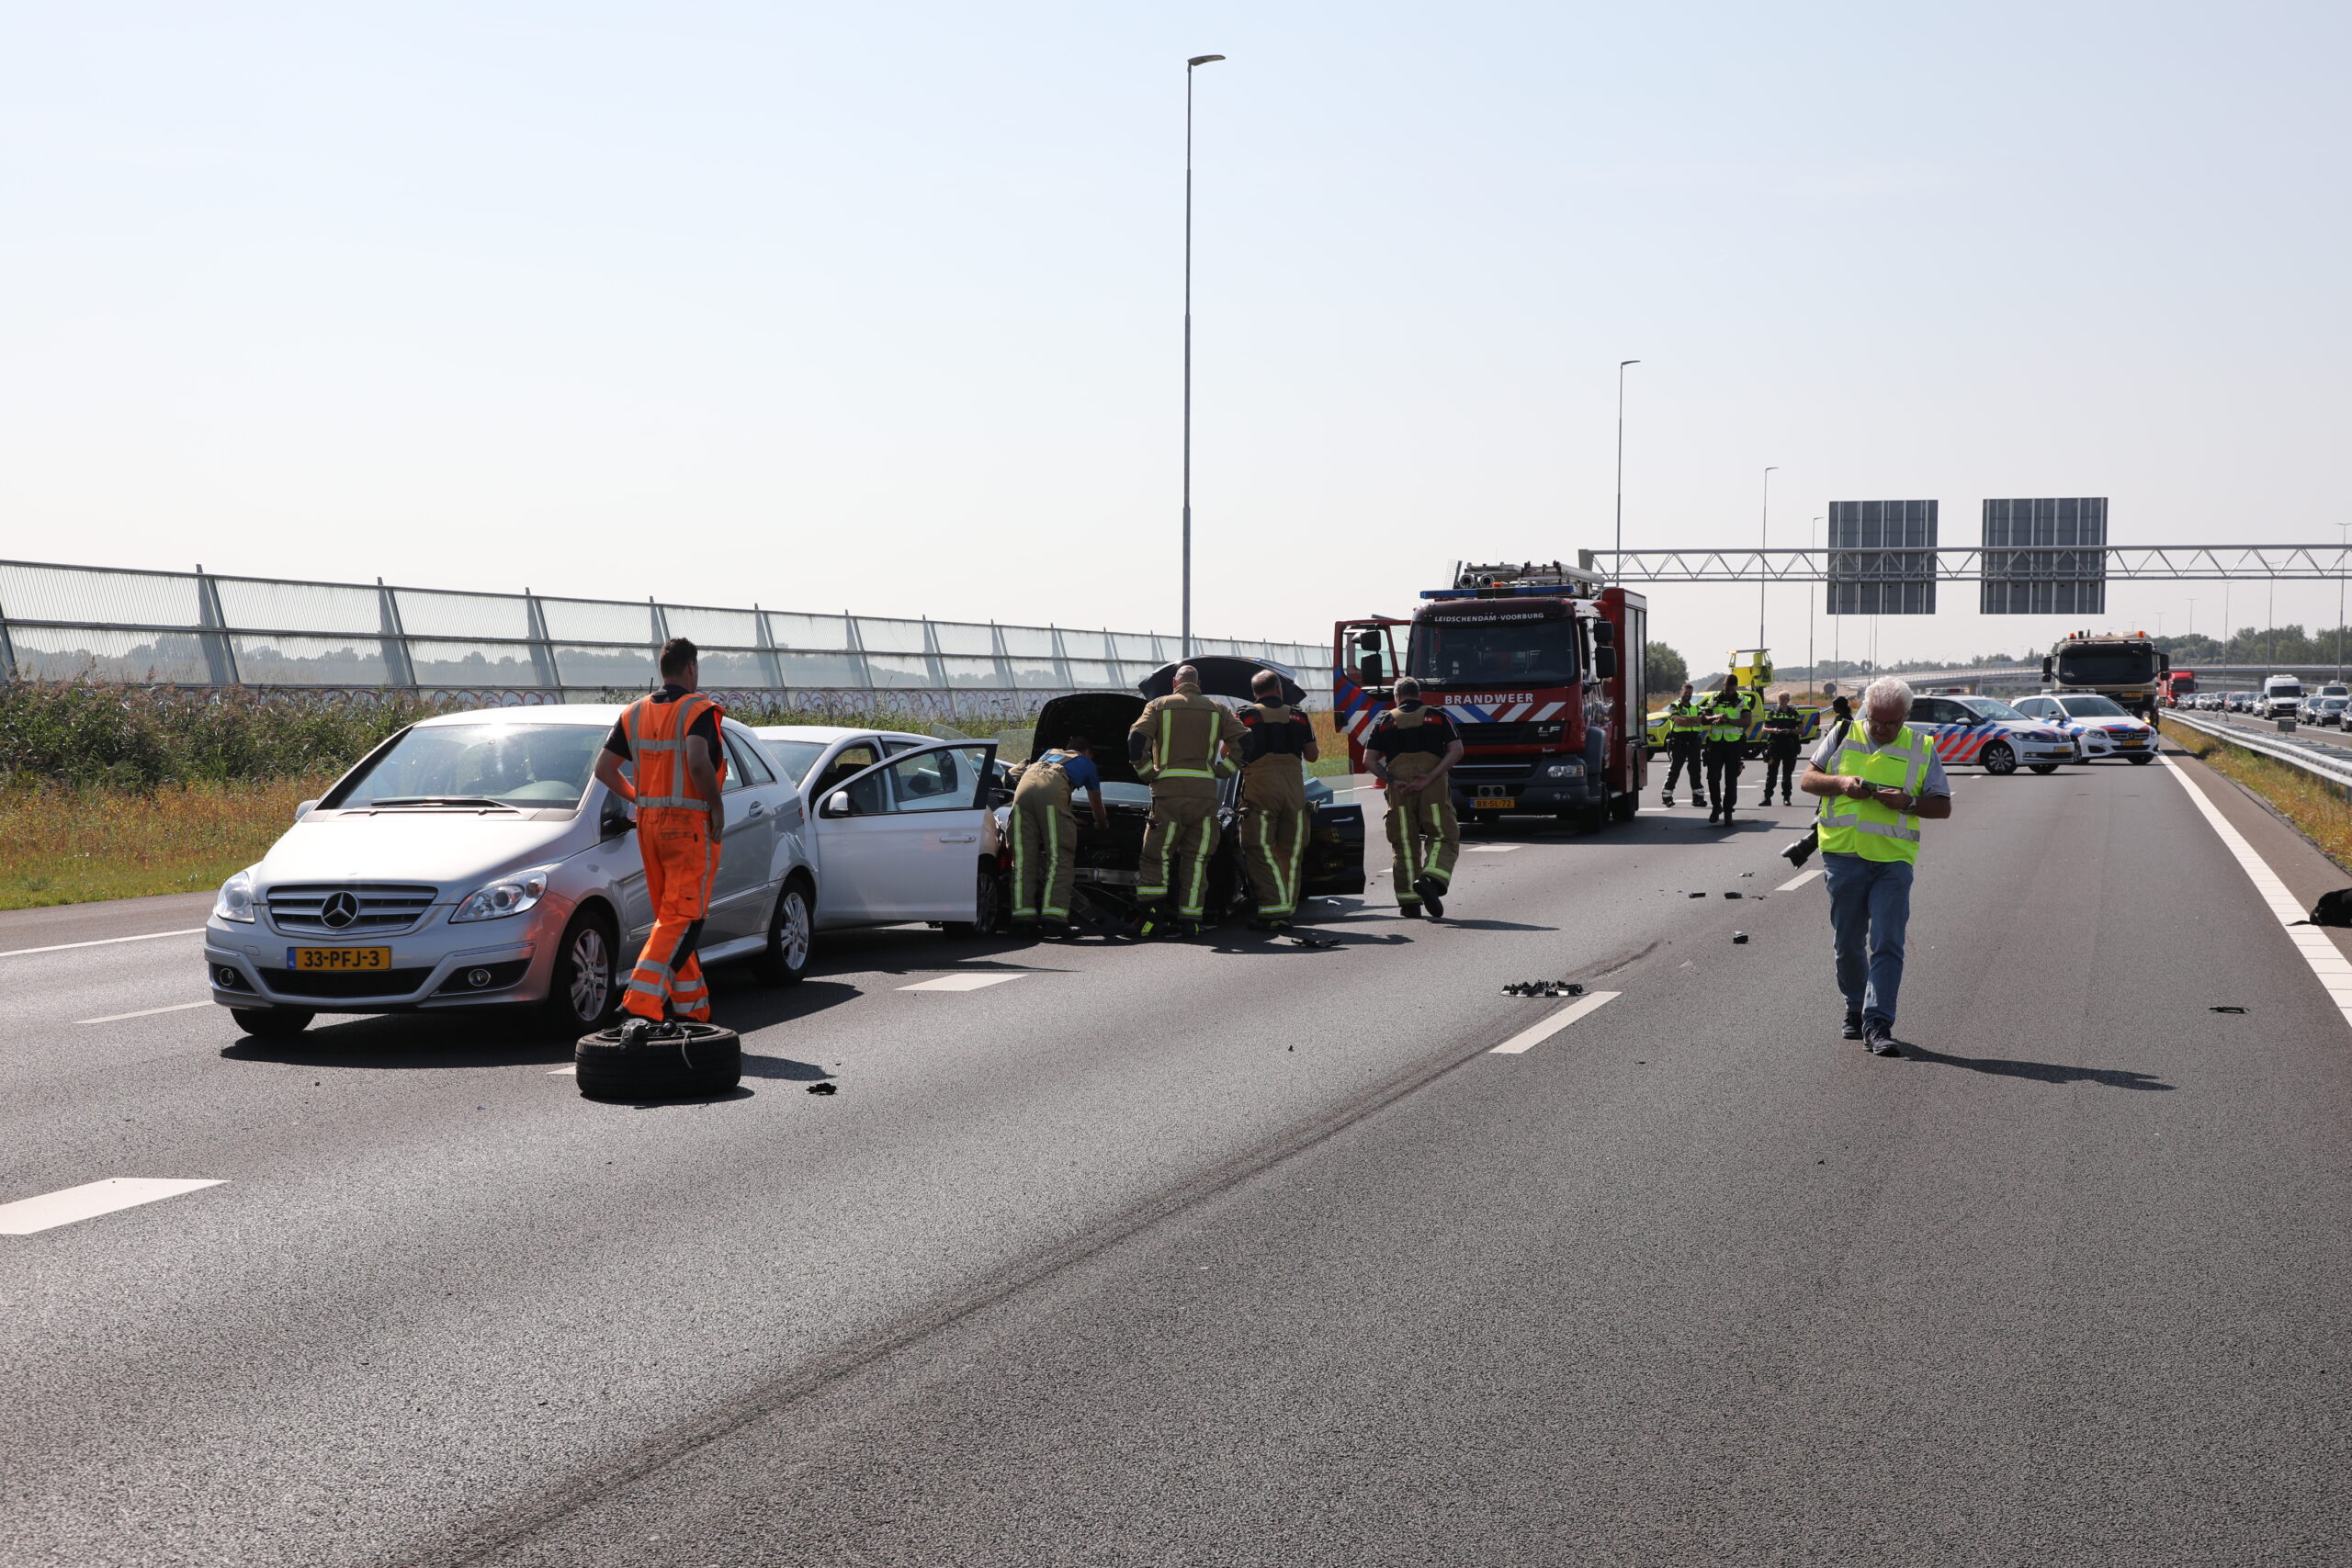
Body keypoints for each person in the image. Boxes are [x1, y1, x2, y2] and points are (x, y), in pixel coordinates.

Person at [1799, 675, 1953, 1057]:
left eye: (1891, 723)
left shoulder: (1921, 746)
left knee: (1887, 941)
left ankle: (1878, 1022)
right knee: (1848, 943)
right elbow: (1808, 780)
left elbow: (1943, 806)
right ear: (1866, 710)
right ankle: (1855, 1007)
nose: (1882, 729)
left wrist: (1908, 803)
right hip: (1843, 856)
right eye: (1876, 721)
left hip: (1893, 860)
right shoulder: (1841, 734)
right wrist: (1841, 782)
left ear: (1906, 716)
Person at [592, 637, 728, 1034]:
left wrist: (641, 798)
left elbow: (604, 769)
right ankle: (642, 1001)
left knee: (671, 919)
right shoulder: (697, 709)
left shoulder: (634, 713)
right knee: (684, 917)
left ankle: (692, 1011)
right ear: (691, 668)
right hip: (689, 828)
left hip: (649, 827)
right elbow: (698, 762)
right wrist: (716, 806)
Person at [1128, 664, 1246, 935]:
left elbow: (1136, 740)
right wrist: (1225, 770)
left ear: (1174, 683)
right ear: (1199, 684)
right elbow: (1246, 741)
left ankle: (1151, 921)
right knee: (1196, 861)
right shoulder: (1218, 709)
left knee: (1156, 858)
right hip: (1204, 799)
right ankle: (1190, 922)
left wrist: (1147, 773)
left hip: (1168, 797)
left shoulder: (1158, 706)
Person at [1364, 676, 1464, 918]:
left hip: (1399, 790)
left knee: (1404, 843)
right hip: (1432, 787)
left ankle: (1410, 903)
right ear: (1419, 695)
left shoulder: (1385, 721)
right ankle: (1431, 880)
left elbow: (1369, 759)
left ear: (1396, 697)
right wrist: (1430, 777)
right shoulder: (1438, 716)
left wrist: (1391, 780)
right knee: (1443, 836)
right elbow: (1457, 751)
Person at [1233, 670, 1320, 932]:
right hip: (1293, 793)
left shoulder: (1245, 716)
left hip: (1261, 793)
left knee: (1259, 849)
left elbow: (1228, 753)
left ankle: (1273, 910)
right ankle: (1287, 909)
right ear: (1279, 689)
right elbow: (1313, 756)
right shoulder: (1300, 716)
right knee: (1291, 853)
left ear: (1254, 692)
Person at [1006, 734, 1108, 939]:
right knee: (1059, 859)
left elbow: (1040, 790)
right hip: (1051, 791)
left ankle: (1023, 920)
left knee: (1023, 859)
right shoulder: (1087, 763)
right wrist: (1102, 824)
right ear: (1087, 752)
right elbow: (1095, 802)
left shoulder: (1049, 754)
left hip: (1024, 789)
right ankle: (1054, 920)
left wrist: (1069, 815)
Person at [1702, 675, 1749, 826]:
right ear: (1723, 685)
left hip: (1733, 744)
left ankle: (1728, 811)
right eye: (1726, 688)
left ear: (1736, 687)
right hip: (1716, 743)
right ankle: (1716, 807)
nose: (1728, 692)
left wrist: (1728, 720)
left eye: (1731, 689)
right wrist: (1714, 718)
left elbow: (1747, 721)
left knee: (1731, 780)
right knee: (1712, 778)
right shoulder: (1714, 698)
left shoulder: (1742, 700)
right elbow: (1704, 718)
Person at [1659, 682, 1707, 807]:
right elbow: (1678, 721)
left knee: (1695, 770)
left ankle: (1698, 798)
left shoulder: (1696, 707)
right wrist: (1693, 721)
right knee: (1675, 770)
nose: (1688, 695)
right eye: (1686, 692)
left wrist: (1688, 720)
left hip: (1694, 742)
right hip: (1679, 742)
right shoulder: (1674, 706)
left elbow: (1701, 719)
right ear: (1681, 693)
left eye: (1690, 693)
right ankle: (1667, 797)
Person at [1759, 692, 1805, 807]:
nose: (1782, 701)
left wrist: (1790, 731)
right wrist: (1774, 730)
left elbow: (1801, 730)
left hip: (1790, 747)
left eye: (1784, 699)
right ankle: (1767, 798)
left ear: (1788, 700)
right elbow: (1764, 729)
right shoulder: (1772, 712)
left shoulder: (1794, 713)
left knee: (1787, 775)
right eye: (1780, 699)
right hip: (1775, 747)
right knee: (1771, 774)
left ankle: (1786, 798)